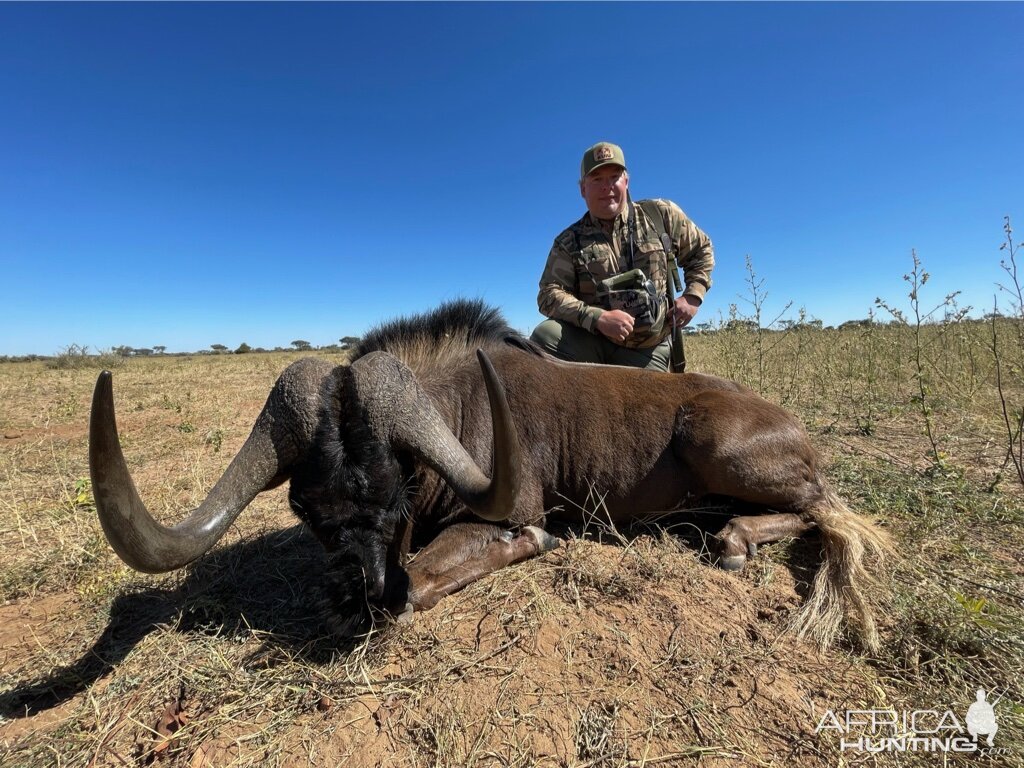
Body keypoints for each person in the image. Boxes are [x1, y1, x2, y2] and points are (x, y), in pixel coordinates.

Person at [531, 142, 714, 371]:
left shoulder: (661, 215)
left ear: (626, 181)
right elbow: (549, 293)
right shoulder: (568, 241)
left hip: (648, 348)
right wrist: (597, 318)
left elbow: (701, 250)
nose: (606, 187)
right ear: (583, 189)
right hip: (594, 342)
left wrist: (692, 297)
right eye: (596, 179)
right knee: (545, 335)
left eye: (614, 177)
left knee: (646, 406)